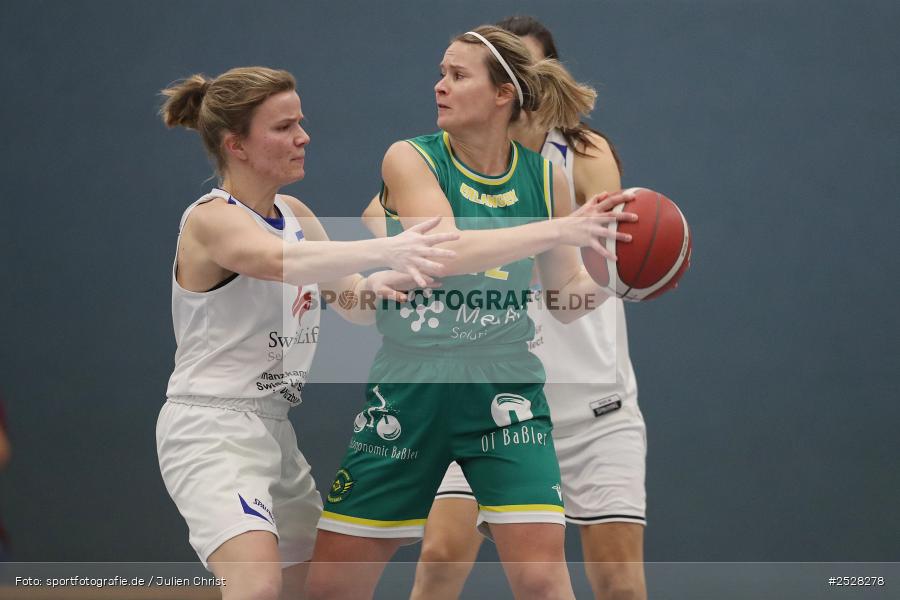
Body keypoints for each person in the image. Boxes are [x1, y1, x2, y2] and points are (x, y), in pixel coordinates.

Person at [307, 26, 636, 600]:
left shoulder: (547, 177)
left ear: (503, 94)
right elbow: (448, 251)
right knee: (335, 584)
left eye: (458, 76)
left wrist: (619, 282)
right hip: (413, 387)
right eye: (441, 72)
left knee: (540, 579)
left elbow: (563, 300)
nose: (439, 86)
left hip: (504, 388)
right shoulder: (410, 158)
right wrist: (562, 227)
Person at [156, 66, 458, 600]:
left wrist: (382, 284)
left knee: (317, 588)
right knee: (255, 587)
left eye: (302, 122)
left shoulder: (295, 213)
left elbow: (354, 305)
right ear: (237, 145)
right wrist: (387, 247)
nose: (303, 137)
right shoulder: (211, 217)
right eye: (283, 127)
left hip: (274, 429)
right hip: (210, 429)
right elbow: (276, 261)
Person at [406, 17, 649, 600]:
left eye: (535, 68)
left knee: (618, 583)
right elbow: (382, 216)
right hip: (491, 397)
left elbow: (587, 263)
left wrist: (632, 274)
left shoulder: (583, 156)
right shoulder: (444, 158)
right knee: (440, 556)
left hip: (591, 397)